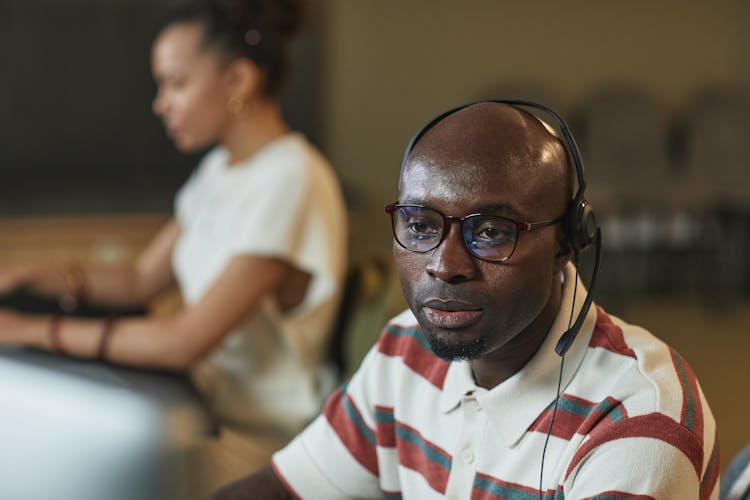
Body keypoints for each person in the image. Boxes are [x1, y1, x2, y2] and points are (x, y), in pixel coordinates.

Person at [210, 101, 719, 499]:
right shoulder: (403, 351)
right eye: (420, 225)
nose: (445, 264)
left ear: (568, 242)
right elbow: (284, 489)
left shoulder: (634, 418)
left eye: (492, 231)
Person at [0, 0, 347, 485]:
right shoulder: (218, 172)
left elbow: (184, 341)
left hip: (260, 440)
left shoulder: (291, 176)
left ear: (238, 81)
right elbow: (140, 280)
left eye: (176, 83)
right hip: (201, 406)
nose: (161, 103)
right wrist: (25, 276)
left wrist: (29, 330)